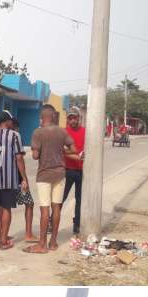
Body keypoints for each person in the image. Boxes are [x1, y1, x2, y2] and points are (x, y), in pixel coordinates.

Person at [27, 104, 74, 254]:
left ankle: (42, 244)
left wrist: (40, 151)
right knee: (56, 207)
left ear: (42, 118)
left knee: (44, 209)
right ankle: (53, 242)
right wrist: (62, 151)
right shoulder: (62, 132)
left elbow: (35, 156)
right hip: (60, 174)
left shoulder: (37, 133)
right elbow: (74, 149)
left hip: (44, 175)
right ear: (53, 116)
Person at [0, 111, 28, 251]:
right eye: (10, 121)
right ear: (7, 121)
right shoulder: (15, 136)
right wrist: (24, 178)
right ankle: (3, 240)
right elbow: (19, 158)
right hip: (10, 180)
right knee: (7, 208)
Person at [62, 107, 86, 235]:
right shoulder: (64, 132)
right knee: (61, 197)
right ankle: (51, 221)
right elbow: (62, 150)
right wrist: (75, 154)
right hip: (67, 170)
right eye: (70, 118)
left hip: (82, 171)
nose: (72, 120)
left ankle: (76, 224)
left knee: (79, 199)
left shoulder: (85, 132)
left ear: (78, 118)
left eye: (74, 117)